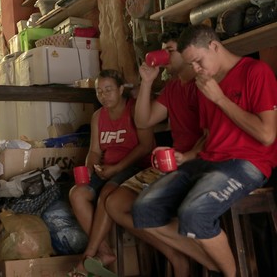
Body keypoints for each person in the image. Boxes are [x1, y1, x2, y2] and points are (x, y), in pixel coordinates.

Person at [132, 24, 277, 277]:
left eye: (198, 61)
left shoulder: (255, 72)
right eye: (192, 64)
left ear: (214, 46)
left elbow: (267, 135)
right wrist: (186, 157)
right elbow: (208, 136)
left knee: (193, 213)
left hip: (247, 162)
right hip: (207, 160)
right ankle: (212, 262)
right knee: (144, 209)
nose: (196, 69)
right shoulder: (204, 84)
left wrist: (220, 99)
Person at [105, 29, 205, 277]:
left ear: (188, 51)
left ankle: (204, 255)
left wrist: (189, 156)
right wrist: (148, 81)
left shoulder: (202, 83)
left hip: (195, 163)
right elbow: (143, 121)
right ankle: (177, 255)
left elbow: (210, 136)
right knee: (115, 204)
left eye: (169, 51)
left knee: (146, 208)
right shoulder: (173, 87)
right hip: (173, 162)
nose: (165, 57)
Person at [68, 69, 154, 277]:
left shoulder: (134, 110)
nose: (103, 95)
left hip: (134, 167)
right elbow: (95, 151)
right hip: (107, 169)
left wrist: (116, 168)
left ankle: (88, 257)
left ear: (121, 89)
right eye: (99, 91)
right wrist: (89, 171)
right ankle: (104, 252)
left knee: (107, 193)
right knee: (76, 193)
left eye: (108, 90)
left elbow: (147, 145)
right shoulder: (98, 116)